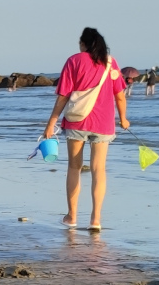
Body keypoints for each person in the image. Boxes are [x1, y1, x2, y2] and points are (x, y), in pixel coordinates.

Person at [43, 27, 130, 230]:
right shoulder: (111, 63)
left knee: (74, 167)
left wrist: (51, 122)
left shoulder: (74, 60)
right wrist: (124, 119)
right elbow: (120, 95)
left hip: (77, 122)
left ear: (83, 44)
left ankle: (72, 217)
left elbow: (63, 95)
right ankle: (96, 219)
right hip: (104, 123)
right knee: (99, 169)